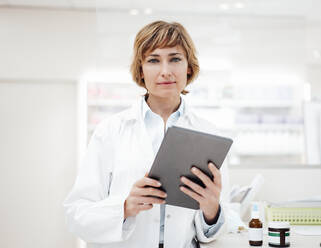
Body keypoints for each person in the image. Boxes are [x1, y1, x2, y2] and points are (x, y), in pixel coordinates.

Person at [64, 20, 230, 248]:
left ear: (188, 67)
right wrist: (124, 207)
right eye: (153, 60)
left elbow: (215, 229)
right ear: (140, 69)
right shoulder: (110, 131)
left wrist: (212, 210)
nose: (165, 71)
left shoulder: (209, 134)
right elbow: (76, 215)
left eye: (175, 59)